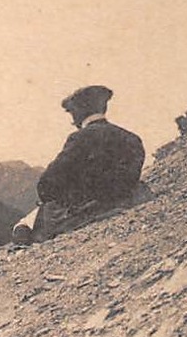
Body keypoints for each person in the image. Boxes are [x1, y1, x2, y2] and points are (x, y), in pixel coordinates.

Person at [13, 85, 145, 244]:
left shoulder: (79, 138)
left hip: (91, 209)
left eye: (72, 112)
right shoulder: (132, 138)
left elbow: (47, 183)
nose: (72, 118)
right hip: (127, 199)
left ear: (79, 112)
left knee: (27, 224)